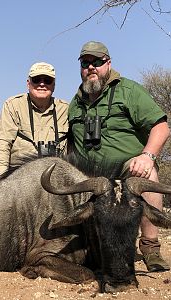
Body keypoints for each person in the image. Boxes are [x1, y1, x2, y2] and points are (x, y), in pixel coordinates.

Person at [68, 41, 170, 272]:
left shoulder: (129, 90)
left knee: (147, 173)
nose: (91, 67)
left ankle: (150, 247)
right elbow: (71, 145)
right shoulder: (75, 102)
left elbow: (161, 127)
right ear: (81, 67)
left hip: (126, 167)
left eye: (97, 62)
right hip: (91, 173)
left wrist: (147, 156)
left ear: (108, 63)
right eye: (86, 63)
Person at [0, 62, 69, 177]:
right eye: (36, 79)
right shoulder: (13, 105)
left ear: (54, 85)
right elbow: (2, 143)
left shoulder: (66, 109)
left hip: (56, 177)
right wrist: (0, 179)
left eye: (47, 80)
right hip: (20, 178)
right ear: (28, 83)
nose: (42, 84)